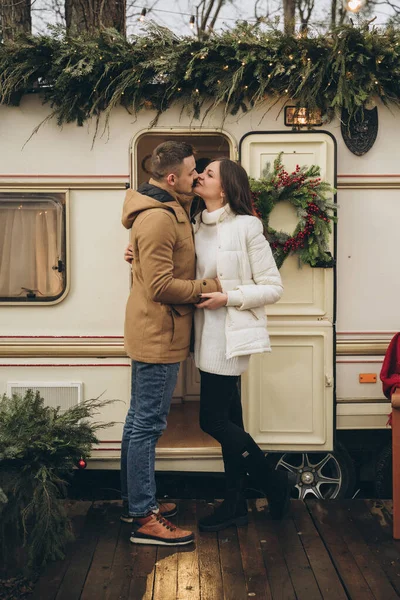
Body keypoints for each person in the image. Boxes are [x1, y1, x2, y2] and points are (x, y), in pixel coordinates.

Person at [120, 141, 221, 546]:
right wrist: (208, 286)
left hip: (155, 328)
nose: (199, 176)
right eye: (194, 170)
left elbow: (157, 265)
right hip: (158, 332)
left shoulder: (167, 210)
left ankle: (135, 503)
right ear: (172, 177)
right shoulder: (160, 218)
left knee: (136, 422)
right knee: (148, 425)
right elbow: (162, 285)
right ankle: (145, 516)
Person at [191, 158, 295, 532]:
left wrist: (229, 297)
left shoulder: (247, 226)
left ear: (224, 187)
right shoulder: (193, 226)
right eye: (200, 171)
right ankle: (235, 503)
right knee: (231, 420)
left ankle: (271, 481)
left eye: (209, 173)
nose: (200, 175)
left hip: (230, 336)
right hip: (202, 335)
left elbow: (273, 287)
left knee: (212, 419)